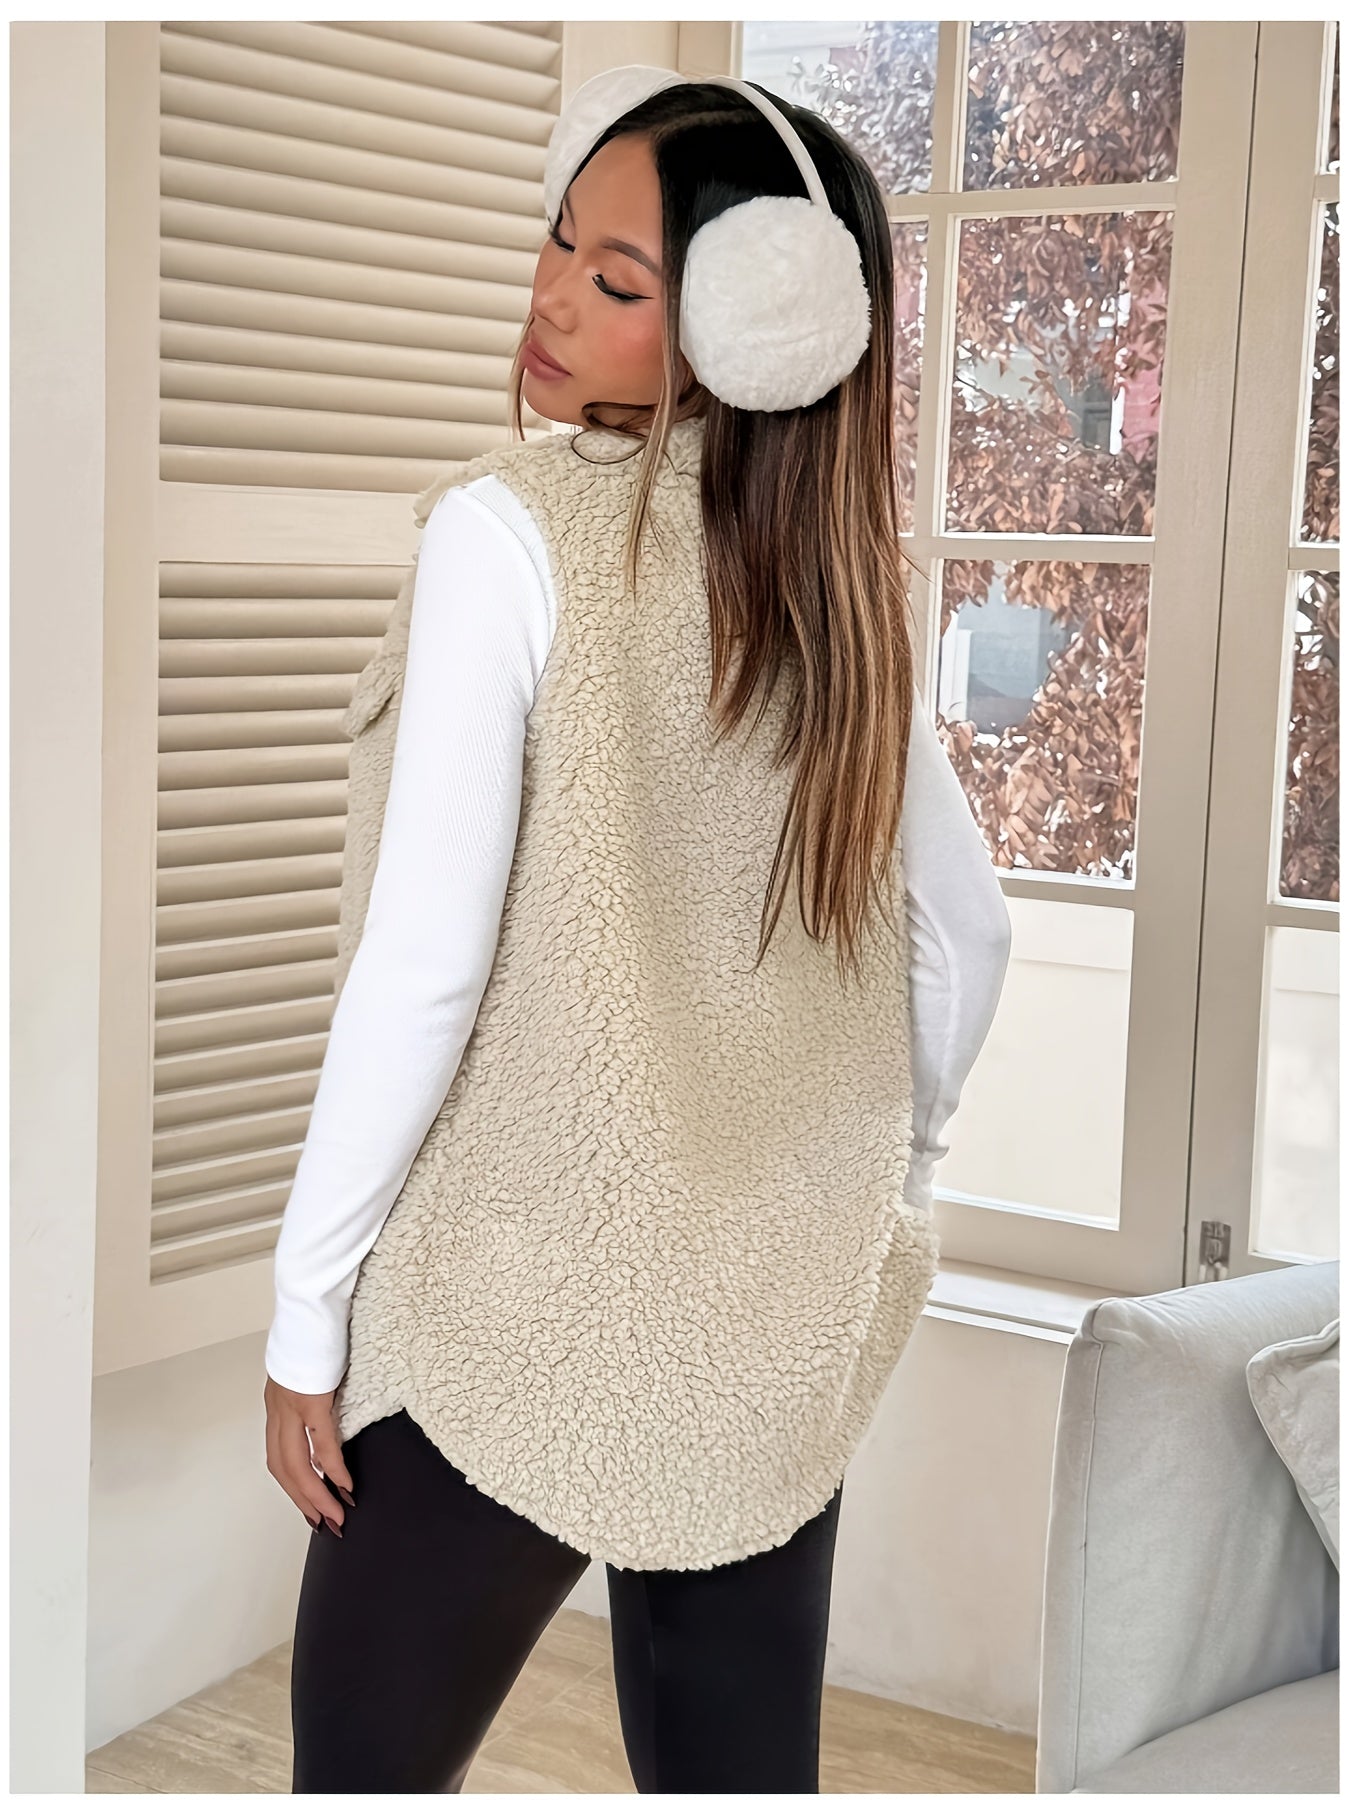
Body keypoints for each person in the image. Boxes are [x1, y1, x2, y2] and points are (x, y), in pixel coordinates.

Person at [262, 67, 1012, 1795]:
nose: (549, 298)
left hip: (509, 1311)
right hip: (764, 1308)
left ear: (754, 325)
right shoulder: (832, 590)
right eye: (556, 242)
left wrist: (309, 1315)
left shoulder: (503, 534)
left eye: (614, 281)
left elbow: (423, 968)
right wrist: (884, 1179)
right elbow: (964, 939)